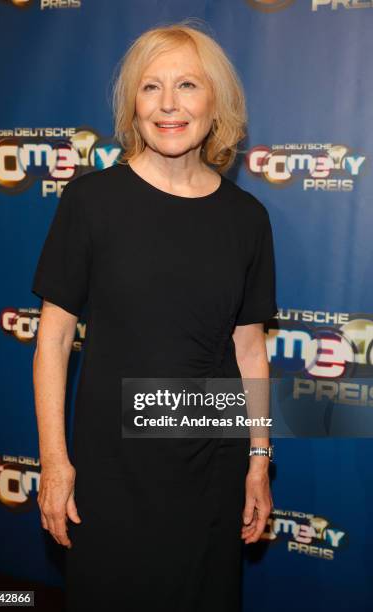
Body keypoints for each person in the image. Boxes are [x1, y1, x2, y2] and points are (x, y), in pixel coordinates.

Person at [32, 20, 277, 612]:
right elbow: (54, 340)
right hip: (111, 471)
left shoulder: (247, 217)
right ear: (132, 105)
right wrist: (55, 461)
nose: (169, 104)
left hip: (210, 464)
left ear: (215, 103)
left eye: (188, 85)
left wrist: (258, 459)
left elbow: (248, 351)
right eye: (150, 88)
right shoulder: (90, 202)